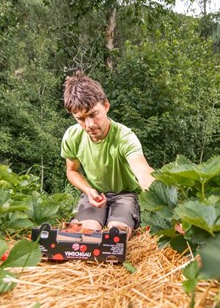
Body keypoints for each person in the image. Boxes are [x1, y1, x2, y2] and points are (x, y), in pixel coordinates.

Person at [61, 72, 155, 239]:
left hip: (125, 195)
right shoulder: (72, 136)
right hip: (94, 194)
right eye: (81, 119)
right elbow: (72, 171)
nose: (89, 125)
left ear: (106, 106)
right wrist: (88, 190)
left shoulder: (125, 137)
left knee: (116, 236)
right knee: (85, 234)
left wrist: (166, 205)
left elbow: (143, 172)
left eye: (93, 114)